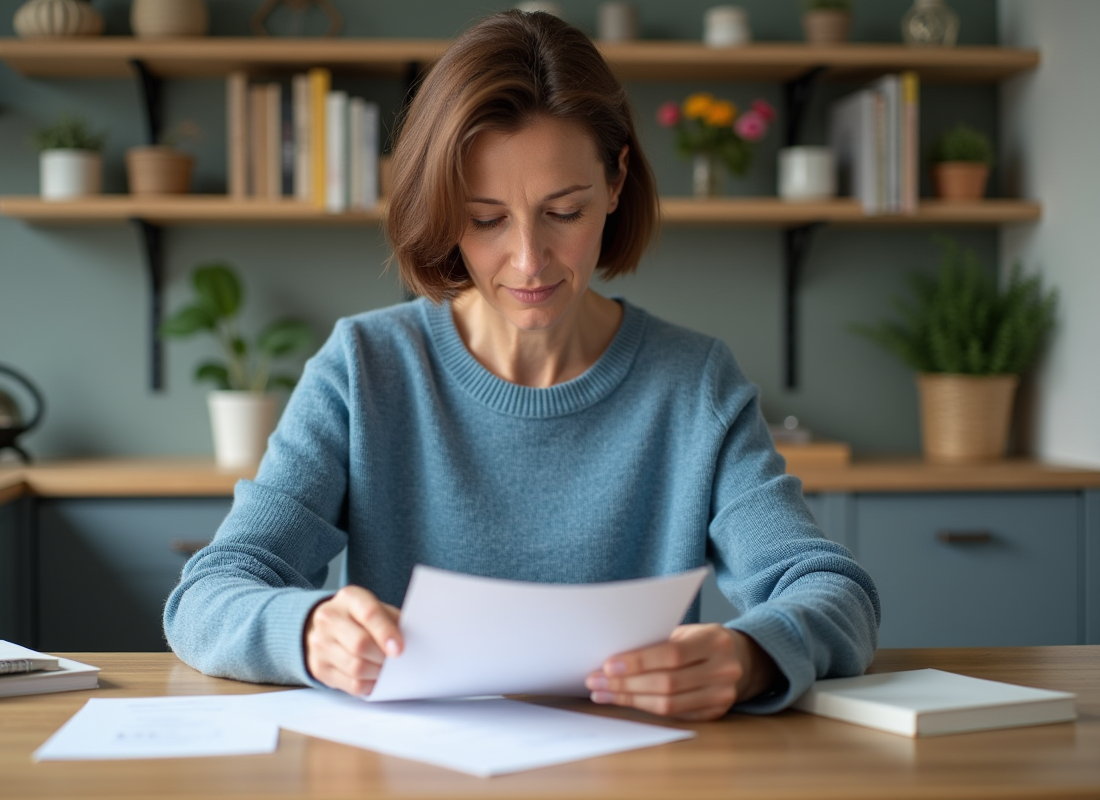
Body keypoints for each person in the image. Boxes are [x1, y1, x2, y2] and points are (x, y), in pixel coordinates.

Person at [165, 10, 880, 721]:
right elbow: (210, 593)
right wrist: (307, 630)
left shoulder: (694, 384)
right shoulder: (365, 368)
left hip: (638, 770)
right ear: (445, 212)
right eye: (485, 219)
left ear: (616, 182)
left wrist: (754, 656)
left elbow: (831, 590)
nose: (529, 260)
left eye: (564, 212)